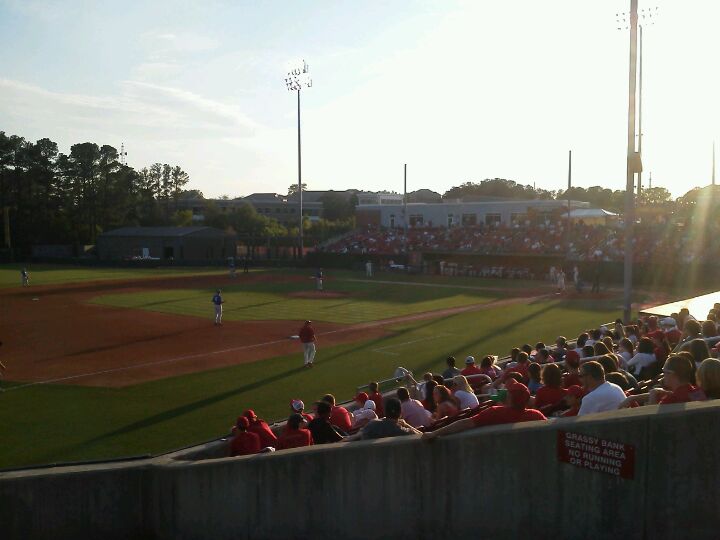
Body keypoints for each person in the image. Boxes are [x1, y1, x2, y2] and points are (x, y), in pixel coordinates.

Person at [421, 380, 546, 441]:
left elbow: (465, 423)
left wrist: (435, 433)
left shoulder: (495, 412)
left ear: (510, 397)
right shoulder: (536, 415)